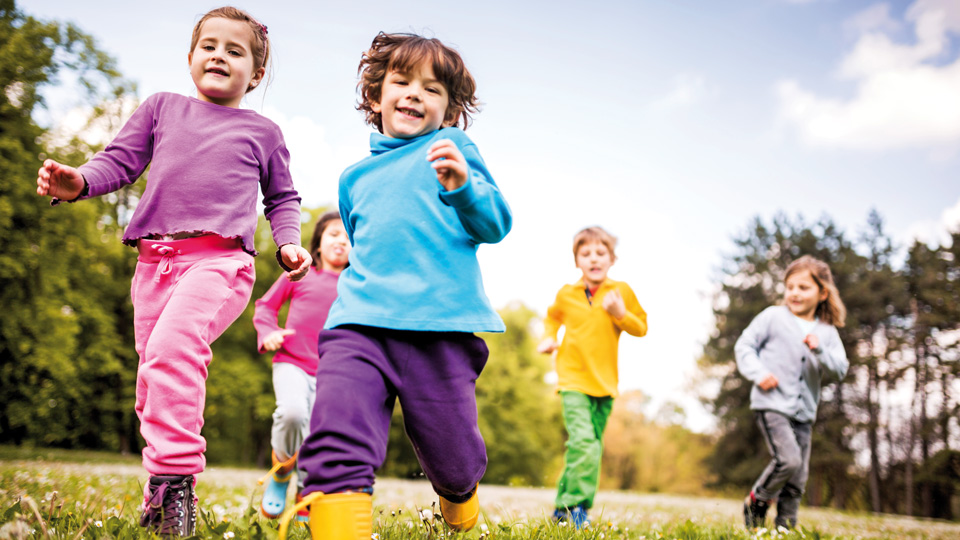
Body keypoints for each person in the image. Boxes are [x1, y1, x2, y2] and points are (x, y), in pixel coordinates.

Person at [34, 6, 311, 536]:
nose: (218, 56)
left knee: (173, 351)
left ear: (255, 73)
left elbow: (283, 198)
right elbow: (116, 162)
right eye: (209, 45)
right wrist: (79, 182)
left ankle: (177, 484)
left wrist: (290, 245)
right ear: (190, 57)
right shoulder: (161, 108)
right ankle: (158, 494)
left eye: (235, 51)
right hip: (154, 265)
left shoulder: (262, 131)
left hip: (221, 262)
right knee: (154, 376)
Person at [279, 32, 511, 540]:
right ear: (375, 96)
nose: (414, 94)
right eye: (401, 81)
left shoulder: (452, 149)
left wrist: (463, 188)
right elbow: (363, 246)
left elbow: (494, 224)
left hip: (439, 331)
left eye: (431, 89)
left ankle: (461, 507)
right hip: (359, 326)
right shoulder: (353, 179)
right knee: (337, 433)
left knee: (452, 459)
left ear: (450, 111)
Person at [537, 226, 647, 529]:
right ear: (577, 262)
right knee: (584, 443)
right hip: (572, 379)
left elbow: (641, 328)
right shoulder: (566, 293)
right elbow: (551, 318)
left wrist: (621, 313)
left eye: (600, 253)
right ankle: (577, 509)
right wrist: (549, 338)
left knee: (588, 448)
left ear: (612, 259)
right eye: (586, 254)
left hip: (606, 384)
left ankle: (562, 507)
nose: (593, 259)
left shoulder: (620, 291)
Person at [736, 255, 848, 530]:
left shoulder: (828, 332)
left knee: (798, 476)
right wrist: (759, 373)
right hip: (771, 403)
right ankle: (757, 500)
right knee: (788, 460)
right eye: (790, 287)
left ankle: (785, 528)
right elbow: (744, 346)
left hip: (804, 411)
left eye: (803, 287)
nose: (795, 293)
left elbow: (840, 370)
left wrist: (820, 349)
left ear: (822, 293)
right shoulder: (773, 317)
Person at [254, 211, 350, 521]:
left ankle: (307, 494)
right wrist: (268, 332)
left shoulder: (357, 286)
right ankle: (282, 473)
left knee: (319, 436)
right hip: (292, 363)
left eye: (349, 238)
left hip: (334, 374)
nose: (342, 241)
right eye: (335, 234)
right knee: (293, 414)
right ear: (318, 243)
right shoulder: (299, 273)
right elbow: (266, 306)